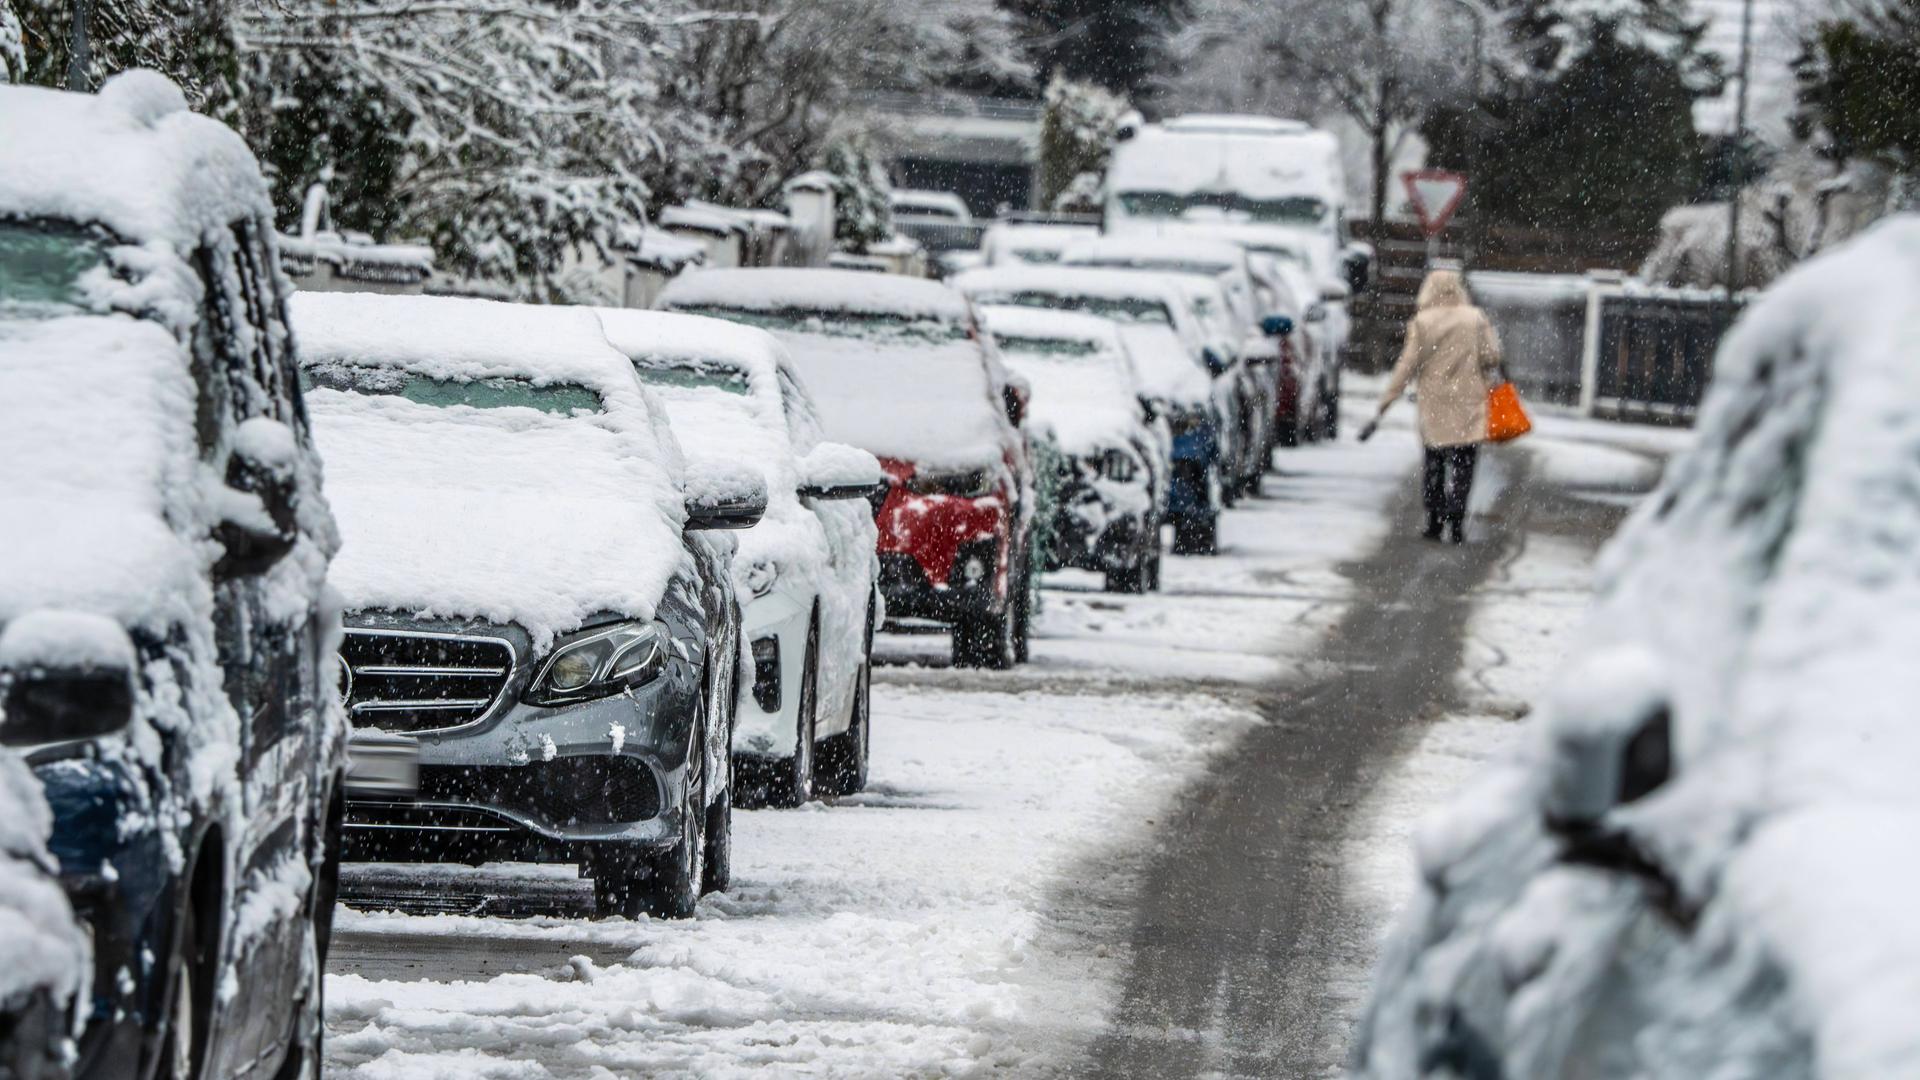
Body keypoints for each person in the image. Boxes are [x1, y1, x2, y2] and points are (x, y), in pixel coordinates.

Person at [1358, 269, 1502, 544]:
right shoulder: (1475, 318)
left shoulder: (1422, 322)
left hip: (1434, 403)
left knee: (1434, 460)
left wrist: (1385, 403)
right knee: (1464, 462)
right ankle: (1457, 518)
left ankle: (1434, 520)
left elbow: (1406, 366)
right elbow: (1491, 356)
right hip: (1468, 401)